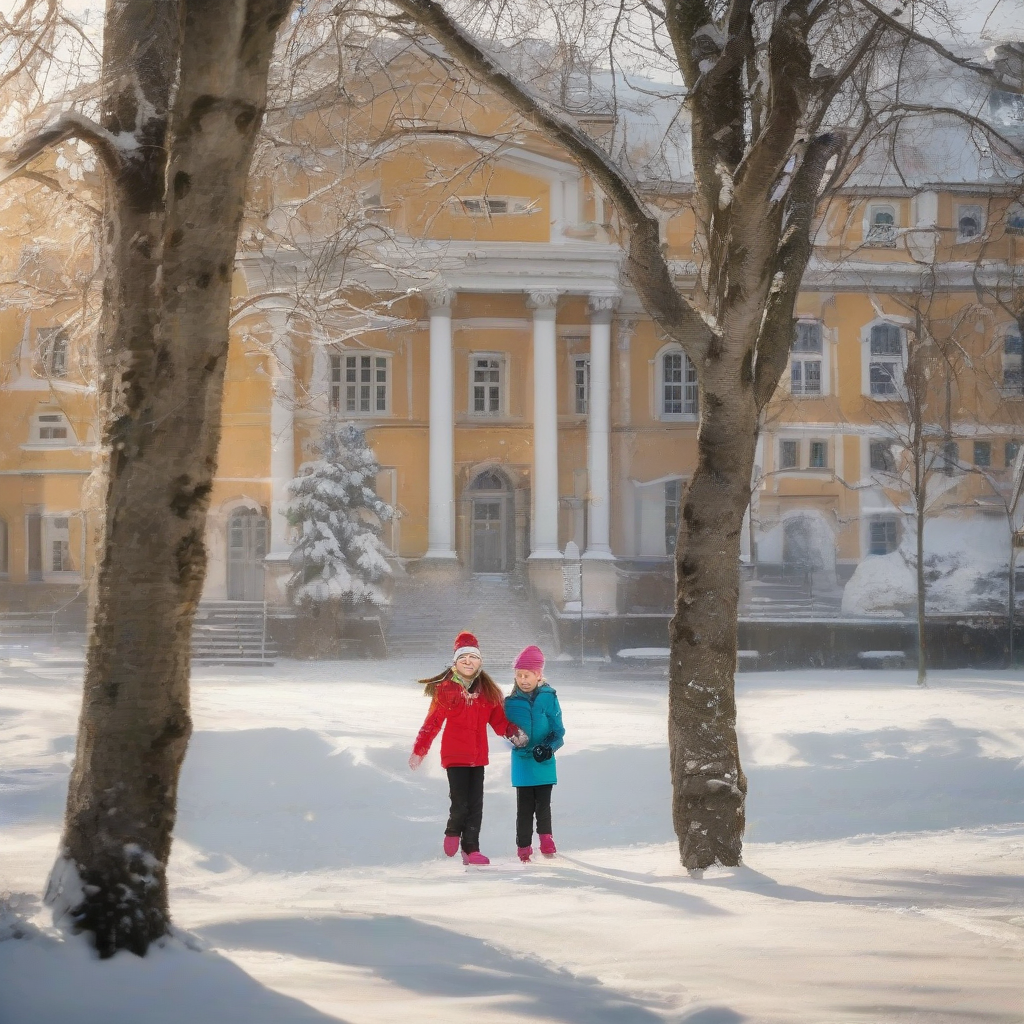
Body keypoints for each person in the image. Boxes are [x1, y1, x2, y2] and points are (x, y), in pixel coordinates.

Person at [409, 631, 528, 865]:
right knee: (460, 803)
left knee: (476, 805)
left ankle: (471, 849)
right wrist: (419, 750)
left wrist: (514, 733)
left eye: (473, 657)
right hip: (455, 757)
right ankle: (453, 831)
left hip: (478, 757)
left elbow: (498, 721)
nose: (468, 661)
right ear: (455, 662)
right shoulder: (446, 690)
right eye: (463, 657)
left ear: (479, 662)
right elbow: (432, 723)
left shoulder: (487, 692)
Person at [503, 645, 564, 862]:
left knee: (543, 805)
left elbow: (559, 731)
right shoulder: (510, 702)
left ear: (538, 675)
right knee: (524, 807)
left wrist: (547, 747)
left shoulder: (549, 697)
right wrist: (511, 736)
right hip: (521, 761)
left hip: (544, 761)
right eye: (519, 675)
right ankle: (523, 846)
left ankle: (546, 840)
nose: (523, 679)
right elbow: (501, 728)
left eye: (527, 675)